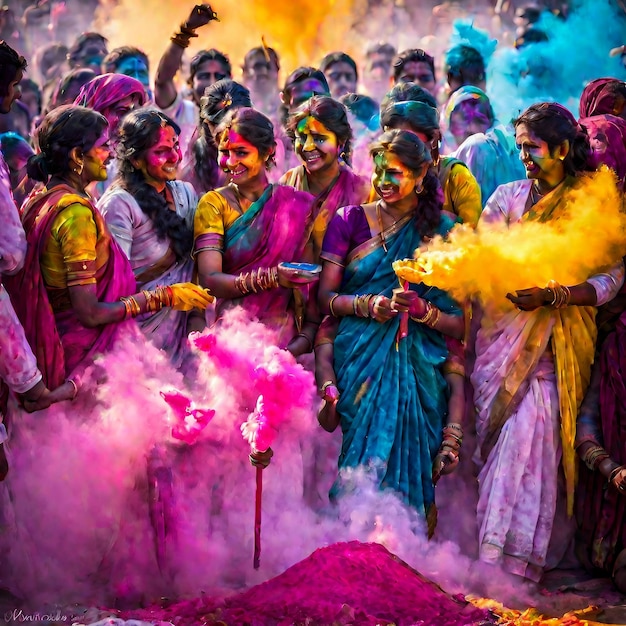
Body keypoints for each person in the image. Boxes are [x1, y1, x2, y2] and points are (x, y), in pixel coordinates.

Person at [471, 102, 625, 582]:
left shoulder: (591, 204)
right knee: (505, 445)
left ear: (561, 148)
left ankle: (516, 566)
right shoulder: (505, 197)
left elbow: (614, 276)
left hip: (557, 349)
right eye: (519, 148)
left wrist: (557, 295)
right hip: (505, 338)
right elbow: (482, 260)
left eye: (532, 148)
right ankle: (488, 559)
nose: (524, 158)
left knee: (533, 438)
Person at [317, 129, 465, 533]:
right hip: (360, 358)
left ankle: (406, 551)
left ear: (421, 176)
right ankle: (352, 548)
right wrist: (370, 306)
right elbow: (326, 298)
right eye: (378, 170)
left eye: (395, 173)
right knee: (360, 461)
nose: (383, 181)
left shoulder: (445, 232)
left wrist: (422, 311)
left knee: (411, 457)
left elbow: (459, 323)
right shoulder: (349, 221)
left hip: (419, 365)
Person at [5, 105, 212, 392]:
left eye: (176, 146)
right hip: (85, 353)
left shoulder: (40, 200)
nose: (111, 154)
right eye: (103, 147)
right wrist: (163, 296)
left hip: (66, 348)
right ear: (78, 156)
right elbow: (91, 311)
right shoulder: (77, 213)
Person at [194, 107, 316, 351]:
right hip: (232, 343)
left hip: (283, 342)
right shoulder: (213, 204)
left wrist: (301, 344)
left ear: (267, 151)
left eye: (241, 152)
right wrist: (271, 278)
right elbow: (210, 280)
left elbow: (310, 281)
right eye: (224, 152)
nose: (230, 162)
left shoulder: (296, 205)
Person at [98, 109, 200, 367]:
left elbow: (197, 263)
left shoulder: (186, 194)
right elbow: (112, 291)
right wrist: (166, 295)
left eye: (176, 146)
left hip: (181, 338)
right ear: (135, 160)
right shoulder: (120, 205)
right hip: (134, 346)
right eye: (161, 151)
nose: (175, 157)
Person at [281, 95, 369, 262]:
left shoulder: (362, 191)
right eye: (301, 138)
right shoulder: (286, 184)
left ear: (341, 142)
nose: (307, 146)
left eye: (319, 138)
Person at [380, 83, 483, 226]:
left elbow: (470, 239)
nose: (400, 152)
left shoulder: (456, 178)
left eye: (409, 141)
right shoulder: (382, 181)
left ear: (433, 138)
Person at [154, 4, 227, 154]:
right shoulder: (181, 112)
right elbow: (162, 81)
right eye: (204, 76)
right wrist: (185, 32)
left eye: (219, 76)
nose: (212, 82)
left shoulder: (241, 119)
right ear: (190, 83)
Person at [442, 86, 525, 204]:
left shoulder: (477, 147)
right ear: (448, 125)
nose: (471, 128)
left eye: (479, 120)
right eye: (463, 119)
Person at [181, 78, 252, 195]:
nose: (232, 135)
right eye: (223, 127)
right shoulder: (190, 176)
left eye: (239, 124)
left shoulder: (264, 159)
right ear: (209, 125)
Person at [241, 44, 281, 121]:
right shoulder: (236, 110)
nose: (263, 72)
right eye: (257, 67)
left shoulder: (289, 105)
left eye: (267, 66)